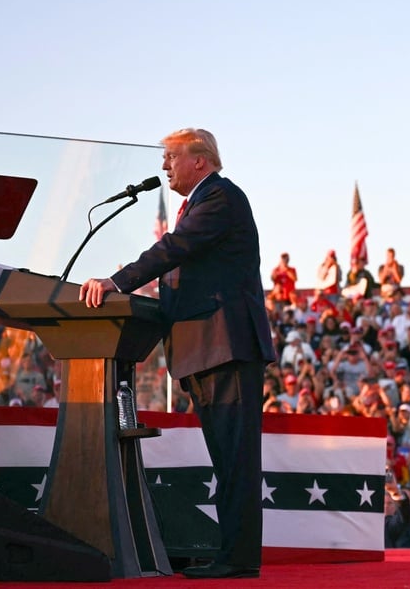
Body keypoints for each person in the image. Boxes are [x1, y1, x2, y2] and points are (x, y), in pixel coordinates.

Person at [79, 127, 275, 580]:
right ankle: (233, 554)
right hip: (206, 348)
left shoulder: (220, 198)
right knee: (226, 458)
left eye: (171, 157)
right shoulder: (202, 201)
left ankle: (239, 559)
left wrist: (117, 282)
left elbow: (175, 248)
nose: (164, 166)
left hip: (226, 346)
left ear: (200, 161)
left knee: (235, 458)